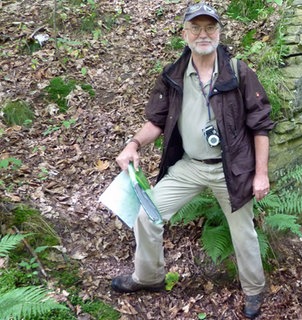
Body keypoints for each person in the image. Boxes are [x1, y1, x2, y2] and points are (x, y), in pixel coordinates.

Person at [110, 2, 274, 319]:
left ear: (219, 31)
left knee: (243, 233)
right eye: (195, 27)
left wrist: (261, 174)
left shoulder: (239, 72)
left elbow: (261, 125)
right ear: (184, 33)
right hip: (190, 166)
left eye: (209, 27)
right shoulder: (173, 76)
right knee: (147, 214)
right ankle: (149, 277)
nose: (203, 34)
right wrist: (133, 144)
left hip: (233, 169)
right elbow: (155, 122)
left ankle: (254, 290)